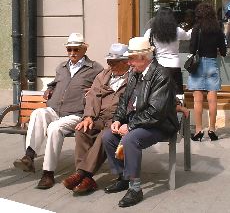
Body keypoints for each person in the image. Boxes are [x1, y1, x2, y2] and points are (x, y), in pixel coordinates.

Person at [13, 33, 103, 189]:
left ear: (83, 49)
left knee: (54, 128)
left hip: (76, 114)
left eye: (76, 49)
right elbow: (54, 83)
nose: (72, 53)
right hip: (56, 109)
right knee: (38, 113)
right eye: (69, 49)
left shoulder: (95, 68)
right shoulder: (61, 67)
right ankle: (29, 157)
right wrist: (49, 88)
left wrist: (95, 89)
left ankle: (48, 173)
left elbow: (104, 84)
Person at [102, 37, 179, 208]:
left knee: (131, 139)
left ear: (143, 58)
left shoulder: (161, 75)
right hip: (140, 121)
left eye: (131, 58)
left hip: (160, 124)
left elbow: (156, 112)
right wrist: (117, 120)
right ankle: (123, 177)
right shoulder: (135, 74)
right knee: (108, 136)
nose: (128, 63)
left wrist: (129, 126)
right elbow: (124, 101)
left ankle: (135, 188)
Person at [62, 43, 130, 194]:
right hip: (99, 117)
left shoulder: (133, 78)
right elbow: (92, 96)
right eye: (108, 62)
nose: (110, 65)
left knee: (103, 136)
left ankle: (82, 174)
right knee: (82, 130)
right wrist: (88, 117)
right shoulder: (103, 75)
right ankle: (85, 177)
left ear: (126, 62)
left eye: (113, 62)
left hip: (118, 120)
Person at [187, 3, 226, 142]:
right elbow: (223, 50)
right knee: (213, 99)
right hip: (212, 64)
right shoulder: (217, 29)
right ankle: (212, 130)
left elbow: (191, 49)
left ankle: (198, 131)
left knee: (198, 100)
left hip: (198, 65)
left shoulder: (196, 29)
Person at [144, 7, 191, 118]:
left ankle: (161, 119)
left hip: (159, 66)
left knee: (159, 94)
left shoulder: (151, 32)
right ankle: (178, 120)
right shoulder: (177, 31)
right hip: (175, 65)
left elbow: (144, 44)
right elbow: (188, 36)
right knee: (178, 94)